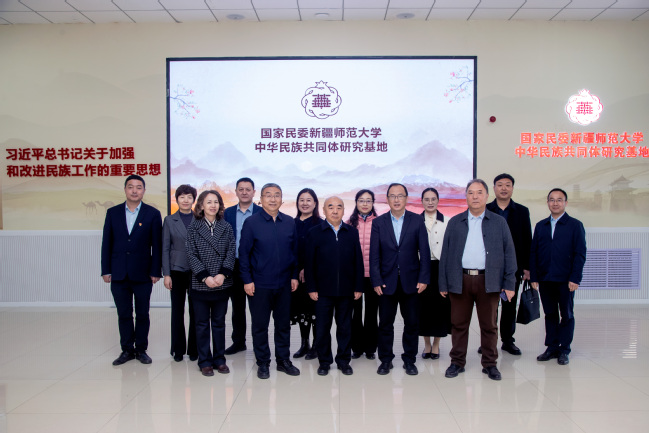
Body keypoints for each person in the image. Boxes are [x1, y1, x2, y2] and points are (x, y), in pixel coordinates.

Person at [440, 179, 517, 381]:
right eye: (471, 193)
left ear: (487, 196)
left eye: (479, 192)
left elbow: (509, 254)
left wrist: (509, 283)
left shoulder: (499, 222)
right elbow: (445, 254)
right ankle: (457, 362)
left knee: (489, 325)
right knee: (459, 324)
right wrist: (443, 283)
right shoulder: (455, 222)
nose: (475, 196)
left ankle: (490, 364)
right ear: (466, 196)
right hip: (460, 280)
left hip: (489, 281)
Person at [239, 183, 301, 379]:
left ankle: (283, 360)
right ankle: (263, 362)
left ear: (282, 199)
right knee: (260, 326)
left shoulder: (289, 222)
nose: (273, 199)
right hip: (259, 284)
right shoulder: (251, 223)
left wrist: (294, 276)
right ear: (261, 199)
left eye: (277, 195)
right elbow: (244, 254)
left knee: (283, 325)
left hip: (284, 284)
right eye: (268, 195)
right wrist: (247, 280)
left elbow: (295, 252)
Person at [370, 183, 430, 376]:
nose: (396, 199)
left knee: (411, 323)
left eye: (400, 196)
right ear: (387, 199)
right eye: (392, 196)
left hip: (411, 282)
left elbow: (425, 252)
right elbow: (374, 255)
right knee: (385, 324)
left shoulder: (416, 220)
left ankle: (409, 360)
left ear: (406, 198)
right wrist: (376, 280)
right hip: (386, 282)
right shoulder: (379, 223)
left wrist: (424, 278)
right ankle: (385, 360)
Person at [101, 174, 162, 366]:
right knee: (124, 314)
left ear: (144, 190)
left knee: (143, 314)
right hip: (118, 272)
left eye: (138, 187)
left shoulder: (152, 214)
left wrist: (155, 271)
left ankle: (141, 349)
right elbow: (106, 243)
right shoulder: (113, 213)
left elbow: (157, 246)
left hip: (143, 273)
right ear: (125, 189)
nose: (134, 190)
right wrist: (106, 270)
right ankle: (126, 350)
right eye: (130, 187)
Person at [305, 196, 364, 376]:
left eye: (339, 207)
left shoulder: (351, 232)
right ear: (324, 210)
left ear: (344, 210)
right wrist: (311, 287)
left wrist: (358, 286)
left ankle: (344, 361)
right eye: (330, 207)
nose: (335, 210)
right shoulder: (315, 232)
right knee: (322, 328)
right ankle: (324, 362)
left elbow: (358, 261)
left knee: (345, 328)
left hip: (346, 290)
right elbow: (309, 263)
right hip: (322, 291)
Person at [530, 188, 586, 366]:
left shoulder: (575, 225)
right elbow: (534, 253)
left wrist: (575, 278)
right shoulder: (541, 226)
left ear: (565, 203)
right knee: (550, 314)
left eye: (559, 200)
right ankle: (552, 347)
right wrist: (534, 277)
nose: (555, 203)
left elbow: (580, 254)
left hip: (566, 280)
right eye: (552, 200)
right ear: (547, 203)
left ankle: (564, 349)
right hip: (546, 278)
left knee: (566, 315)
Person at [186, 190, 236, 376]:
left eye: (216, 202)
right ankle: (204, 361)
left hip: (221, 283)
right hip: (200, 283)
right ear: (201, 205)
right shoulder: (193, 227)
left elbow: (231, 251)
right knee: (201, 324)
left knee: (219, 323)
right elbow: (191, 254)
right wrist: (205, 276)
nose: (213, 205)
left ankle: (219, 359)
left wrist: (223, 274)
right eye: (209, 202)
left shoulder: (226, 227)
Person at [485, 173, 532, 356]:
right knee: (489, 307)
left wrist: (527, 267)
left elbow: (527, 240)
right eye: (500, 185)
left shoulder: (522, 211)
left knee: (509, 305)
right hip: (489, 267)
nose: (504, 188)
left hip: (513, 268)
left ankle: (507, 340)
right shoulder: (486, 209)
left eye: (507, 185)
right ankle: (489, 341)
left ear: (512, 188)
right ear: (494, 188)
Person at [223, 177, 261, 355]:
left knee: (257, 308)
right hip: (234, 265)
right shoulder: (227, 213)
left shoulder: (262, 212)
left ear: (254, 192)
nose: (244, 192)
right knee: (237, 307)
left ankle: (259, 344)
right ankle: (238, 342)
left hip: (256, 266)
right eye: (241, 189)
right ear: (236, 192)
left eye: (248, 189)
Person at [163, 184, 198, 362]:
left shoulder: (199, 218)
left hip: (196, 271)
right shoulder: (169, 220)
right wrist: (166, 274)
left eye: (189, 197)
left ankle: (194, 349)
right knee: (177, 311)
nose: (185, 200)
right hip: (176, 270)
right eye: (182, 197)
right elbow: (165, 248)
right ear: (176, 199)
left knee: (196, 311)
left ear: (194, 200)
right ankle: (177, 349)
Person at [418, 187, 451, 360]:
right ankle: (426, 344)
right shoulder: (416, 221)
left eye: (433, 199)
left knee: (440, 307)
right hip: (421, 268)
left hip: (441, 267)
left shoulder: (447, 221)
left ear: (438, 201)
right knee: (423, 308)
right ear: (421, 201)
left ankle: (436, 345)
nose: (430, 202)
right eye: (427, 199)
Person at [347, 189, 379, 360]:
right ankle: (356, 347)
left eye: (368, 200)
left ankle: (371, 348)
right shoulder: (349, 223)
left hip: (374, 275)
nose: (365, 204)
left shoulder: (380, 222)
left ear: (373, 203)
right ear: (356, 202)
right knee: (356, 313)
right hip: (355, 275)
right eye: (361, 200)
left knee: (372, 312)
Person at [291, 188, 321, 360]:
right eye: (301, 200)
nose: (305, 203)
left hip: (315, 276)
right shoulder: (291, 223)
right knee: (301, 311)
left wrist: (308, 268)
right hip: (295, 276)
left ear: (315, 203)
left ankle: (316, 345)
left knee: (314, 310)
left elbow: (323, 251)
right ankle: (304, 344)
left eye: (308, 200)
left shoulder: (320, 224)